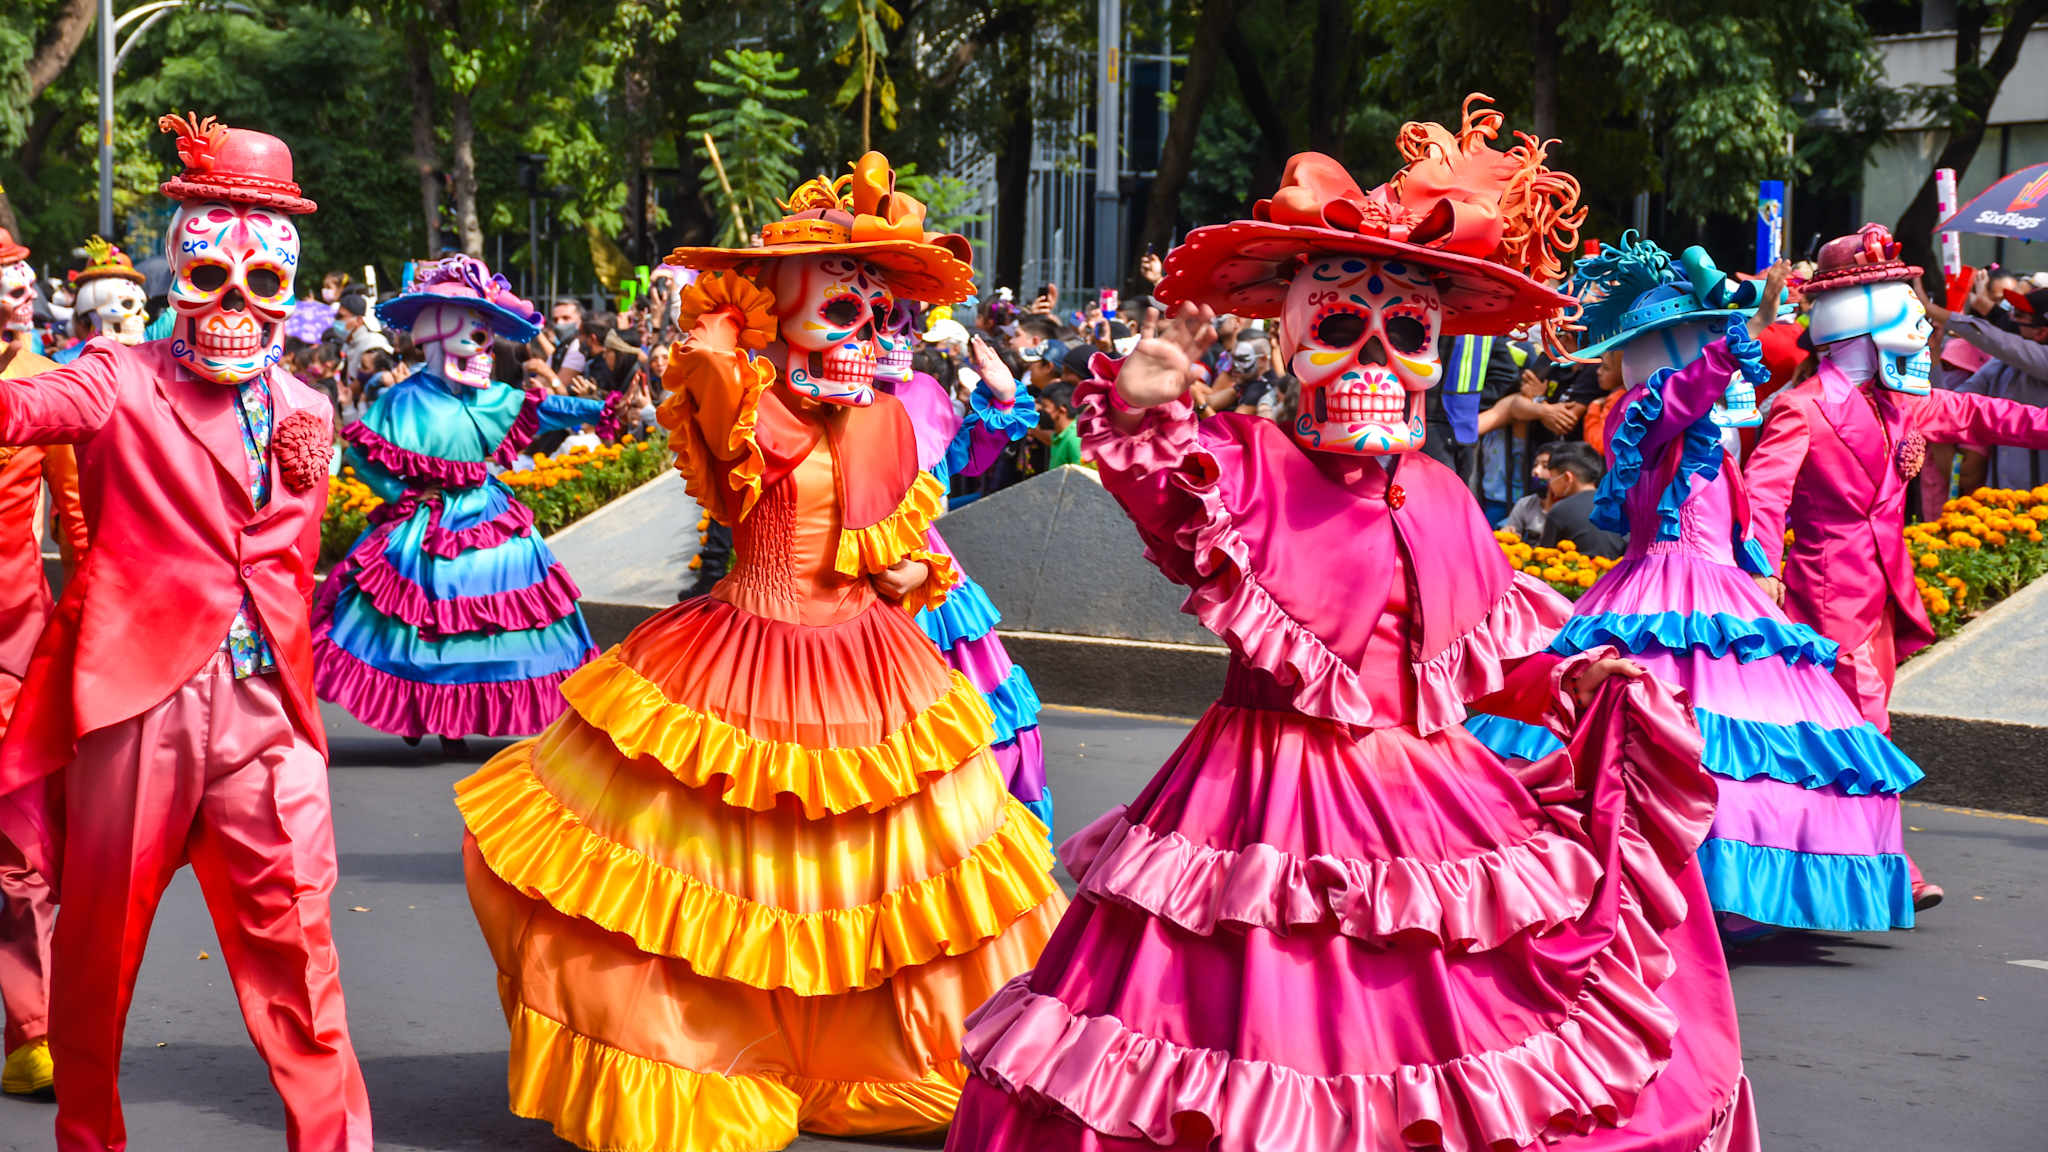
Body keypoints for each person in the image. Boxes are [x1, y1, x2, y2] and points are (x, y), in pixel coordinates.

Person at [951, 100, 1758, 1152]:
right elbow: (1167, 498)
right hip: (1256, 804)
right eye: (1339, 328)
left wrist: (1575, 683)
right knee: (1240, 1049)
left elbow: (1479, 657)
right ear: (1292, 342)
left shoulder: (1442, 497)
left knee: (1452, 1047)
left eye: (1407, 333)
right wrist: (1145, 408)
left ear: (1435, 350)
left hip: (1430, 798)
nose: (1375, 356)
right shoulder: (1246, 464)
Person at [454, 151, 1064, 1152]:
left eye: (877, 316)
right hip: (740, 653)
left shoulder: (885, 422)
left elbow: (889, 551)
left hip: (870, 661)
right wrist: (717, 340)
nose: (865, 337)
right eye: (840, 310)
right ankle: (714, 1051)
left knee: (872, 879)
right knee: (709, 874)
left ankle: (860, 1058)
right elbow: (722, 421)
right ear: (779, 314)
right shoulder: (751, 404)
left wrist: (911, 573)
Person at [0, 112, 372, 1152]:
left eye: (265, 284)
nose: (235, 308)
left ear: (289, 291)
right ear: (175, 275)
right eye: (211, 278)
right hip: (140, 708)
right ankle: (89, 1137)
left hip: (267, 718)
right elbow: (23, 411)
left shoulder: (307, 404)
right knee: (99, 957)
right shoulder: (115, 376)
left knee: (301, 954)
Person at [1475, 236, 1925, 938]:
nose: (1717, 345)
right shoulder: (1641, 409)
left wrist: (1757, 565)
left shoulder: (1699, 420)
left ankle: (1731, 888)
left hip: (1721, 590)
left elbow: (1734, 505)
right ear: (1672, 346)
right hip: (1664, 587)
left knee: (1753, 745)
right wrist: (1738, 334)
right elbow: (1686, 398)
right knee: (1677, 737)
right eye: (1702, 334)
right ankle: (1666, 884)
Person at [313, 255, 602, 756]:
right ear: (437, 329)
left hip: (489, 515)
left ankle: (465, 714)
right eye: (471, 327)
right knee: (429, 625)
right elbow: (360, 453)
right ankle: (434, 712)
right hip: (428, 522)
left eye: (484, 330)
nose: (481, 341)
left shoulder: (492, 396)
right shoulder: (402, 400)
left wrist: (604, 408)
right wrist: (402, 494)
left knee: (497, 621)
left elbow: (545, 407)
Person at [0, 323, 88, 1098]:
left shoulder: (43, 385)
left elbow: (78, 522)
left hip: (13, 646)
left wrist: (99, 638)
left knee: (20, 853)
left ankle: (33, 1032)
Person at [1926, 282, 2048, 491]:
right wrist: (1934, 356)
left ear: (2041, 333)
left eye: (2020, 316)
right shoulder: (1999, 366)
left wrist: (1935, 312)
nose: (2009, 319)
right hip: (1999, 500)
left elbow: (1998, 341)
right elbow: (1950, 404)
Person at [1538, 440, 1626, 558]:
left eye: (1552, 477)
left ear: (1567, 477)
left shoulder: (1560, 510)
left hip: (1576, 569)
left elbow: (1544, 557)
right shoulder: (1620, 506)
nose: (1550, 484)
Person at [1500, 443, 1555, 536]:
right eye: (1535, 465)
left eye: (1545, 466)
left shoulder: (1570, 509)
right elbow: (1510, 534)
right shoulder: (1525, 504)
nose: (1536, 471)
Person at [1034, 376, 1082, 466]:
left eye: (1045, 406)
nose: (1040, 410)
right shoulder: (1059, 436)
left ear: (1062, 409)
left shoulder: (1074, 439)